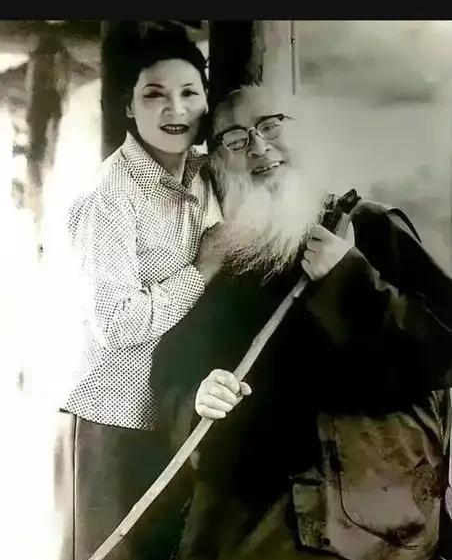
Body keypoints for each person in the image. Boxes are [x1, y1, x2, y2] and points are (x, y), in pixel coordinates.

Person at [151, 84, 452, 560]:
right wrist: (197, 397)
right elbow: (171, 369)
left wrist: (350, 277)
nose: (258, 146)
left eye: (270, 125)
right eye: (235, 139)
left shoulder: (369, 226)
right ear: (219, 162)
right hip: (246, 526)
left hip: (364, 526)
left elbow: (443, 351)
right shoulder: (225, 257)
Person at [53, 27, 224, 560]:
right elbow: (116, 322)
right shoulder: (109, 195)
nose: (175, 109)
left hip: (174, 411)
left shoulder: (204, 175)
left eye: (189, 92)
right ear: (128, 107)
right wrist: (201, 271)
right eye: (154, 94)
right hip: (110, 417)